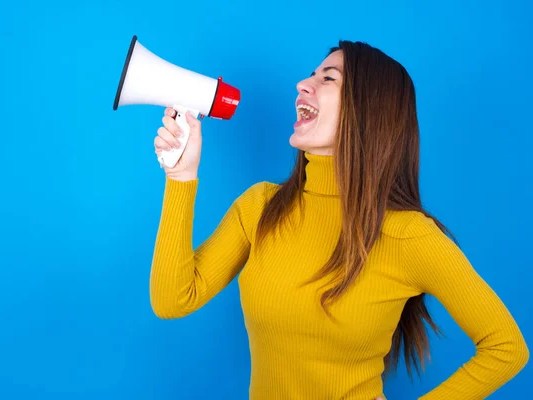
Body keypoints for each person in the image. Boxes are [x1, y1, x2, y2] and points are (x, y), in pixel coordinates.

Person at [149, 40, 529, 399]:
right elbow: (173, 300)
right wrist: (180, 178)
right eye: (311, 75)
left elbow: (507, 348)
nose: (303, 84)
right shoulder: (260, 207)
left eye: (327, 78)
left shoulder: (407, 236)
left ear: (369, 108)